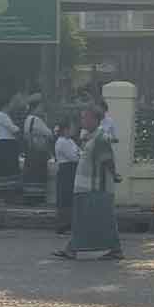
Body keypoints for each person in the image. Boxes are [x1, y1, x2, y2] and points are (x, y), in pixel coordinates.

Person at [53, 107, 123, 260]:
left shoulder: (101, 138)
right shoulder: (90, 137)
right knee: (84, 219)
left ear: (95, 120)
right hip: (85, 185)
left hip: (96, 186)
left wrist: (114, 175)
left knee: (101, 219)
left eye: (85, 118)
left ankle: (114, 249)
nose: (82, 121)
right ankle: (73, 248)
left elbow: (107, 160)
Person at [21, 96, 52, 206]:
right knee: (38, 175)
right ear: (36, 107)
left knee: (30, 175)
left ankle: (29, 197)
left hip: (30, 152)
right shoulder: (37, 120)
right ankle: (37, 199)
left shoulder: (27, 119)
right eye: (41, 106)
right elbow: (49, 134)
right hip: (38, 153)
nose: (42, 109)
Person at [0, 95, 23, 203]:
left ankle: (8, 196)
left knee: (9, 170)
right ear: (6, 105)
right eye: (11, 103)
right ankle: (5, 196)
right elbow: (14, 129)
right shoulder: (2, 116)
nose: (12, 106)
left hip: (6, 145)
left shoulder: (3, 116)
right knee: (7, 170)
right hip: (6, 145)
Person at [54, 122, 81, 235]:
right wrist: (79, 154)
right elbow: (74, 156)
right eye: (71, 129)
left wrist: (79, 154)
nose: (73, 131)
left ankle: (69, 223)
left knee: (71, 197)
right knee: (64, 197)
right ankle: (62, 224)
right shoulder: (61, 142)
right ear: (65, 130)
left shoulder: (70, 141)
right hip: (66, 169)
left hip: (72, 169)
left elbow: (79, 152)